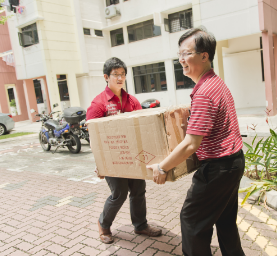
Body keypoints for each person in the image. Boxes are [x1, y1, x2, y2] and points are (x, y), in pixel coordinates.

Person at [146, 27, 245, 256]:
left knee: (192, 222)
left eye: (186, 54)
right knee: (225, 222)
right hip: (233, 163)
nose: (181, 60)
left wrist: (162, 167)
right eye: (179, 55)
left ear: (204, 55)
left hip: (218, 169)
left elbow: (191, 144)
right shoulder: (215, 83)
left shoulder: (204, 92)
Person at [87, 57, 162, 244]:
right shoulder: (99, 104)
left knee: (138, 189)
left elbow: (141, 129)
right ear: (106, 77)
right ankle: (103, 225)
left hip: (133, 156)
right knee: (119, 193)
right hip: (113, 158)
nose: (120, 78)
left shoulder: (132, 101)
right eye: (115, 75)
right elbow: (94, 138)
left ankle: (140, 225)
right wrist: (100, 165)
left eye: (122, 74)